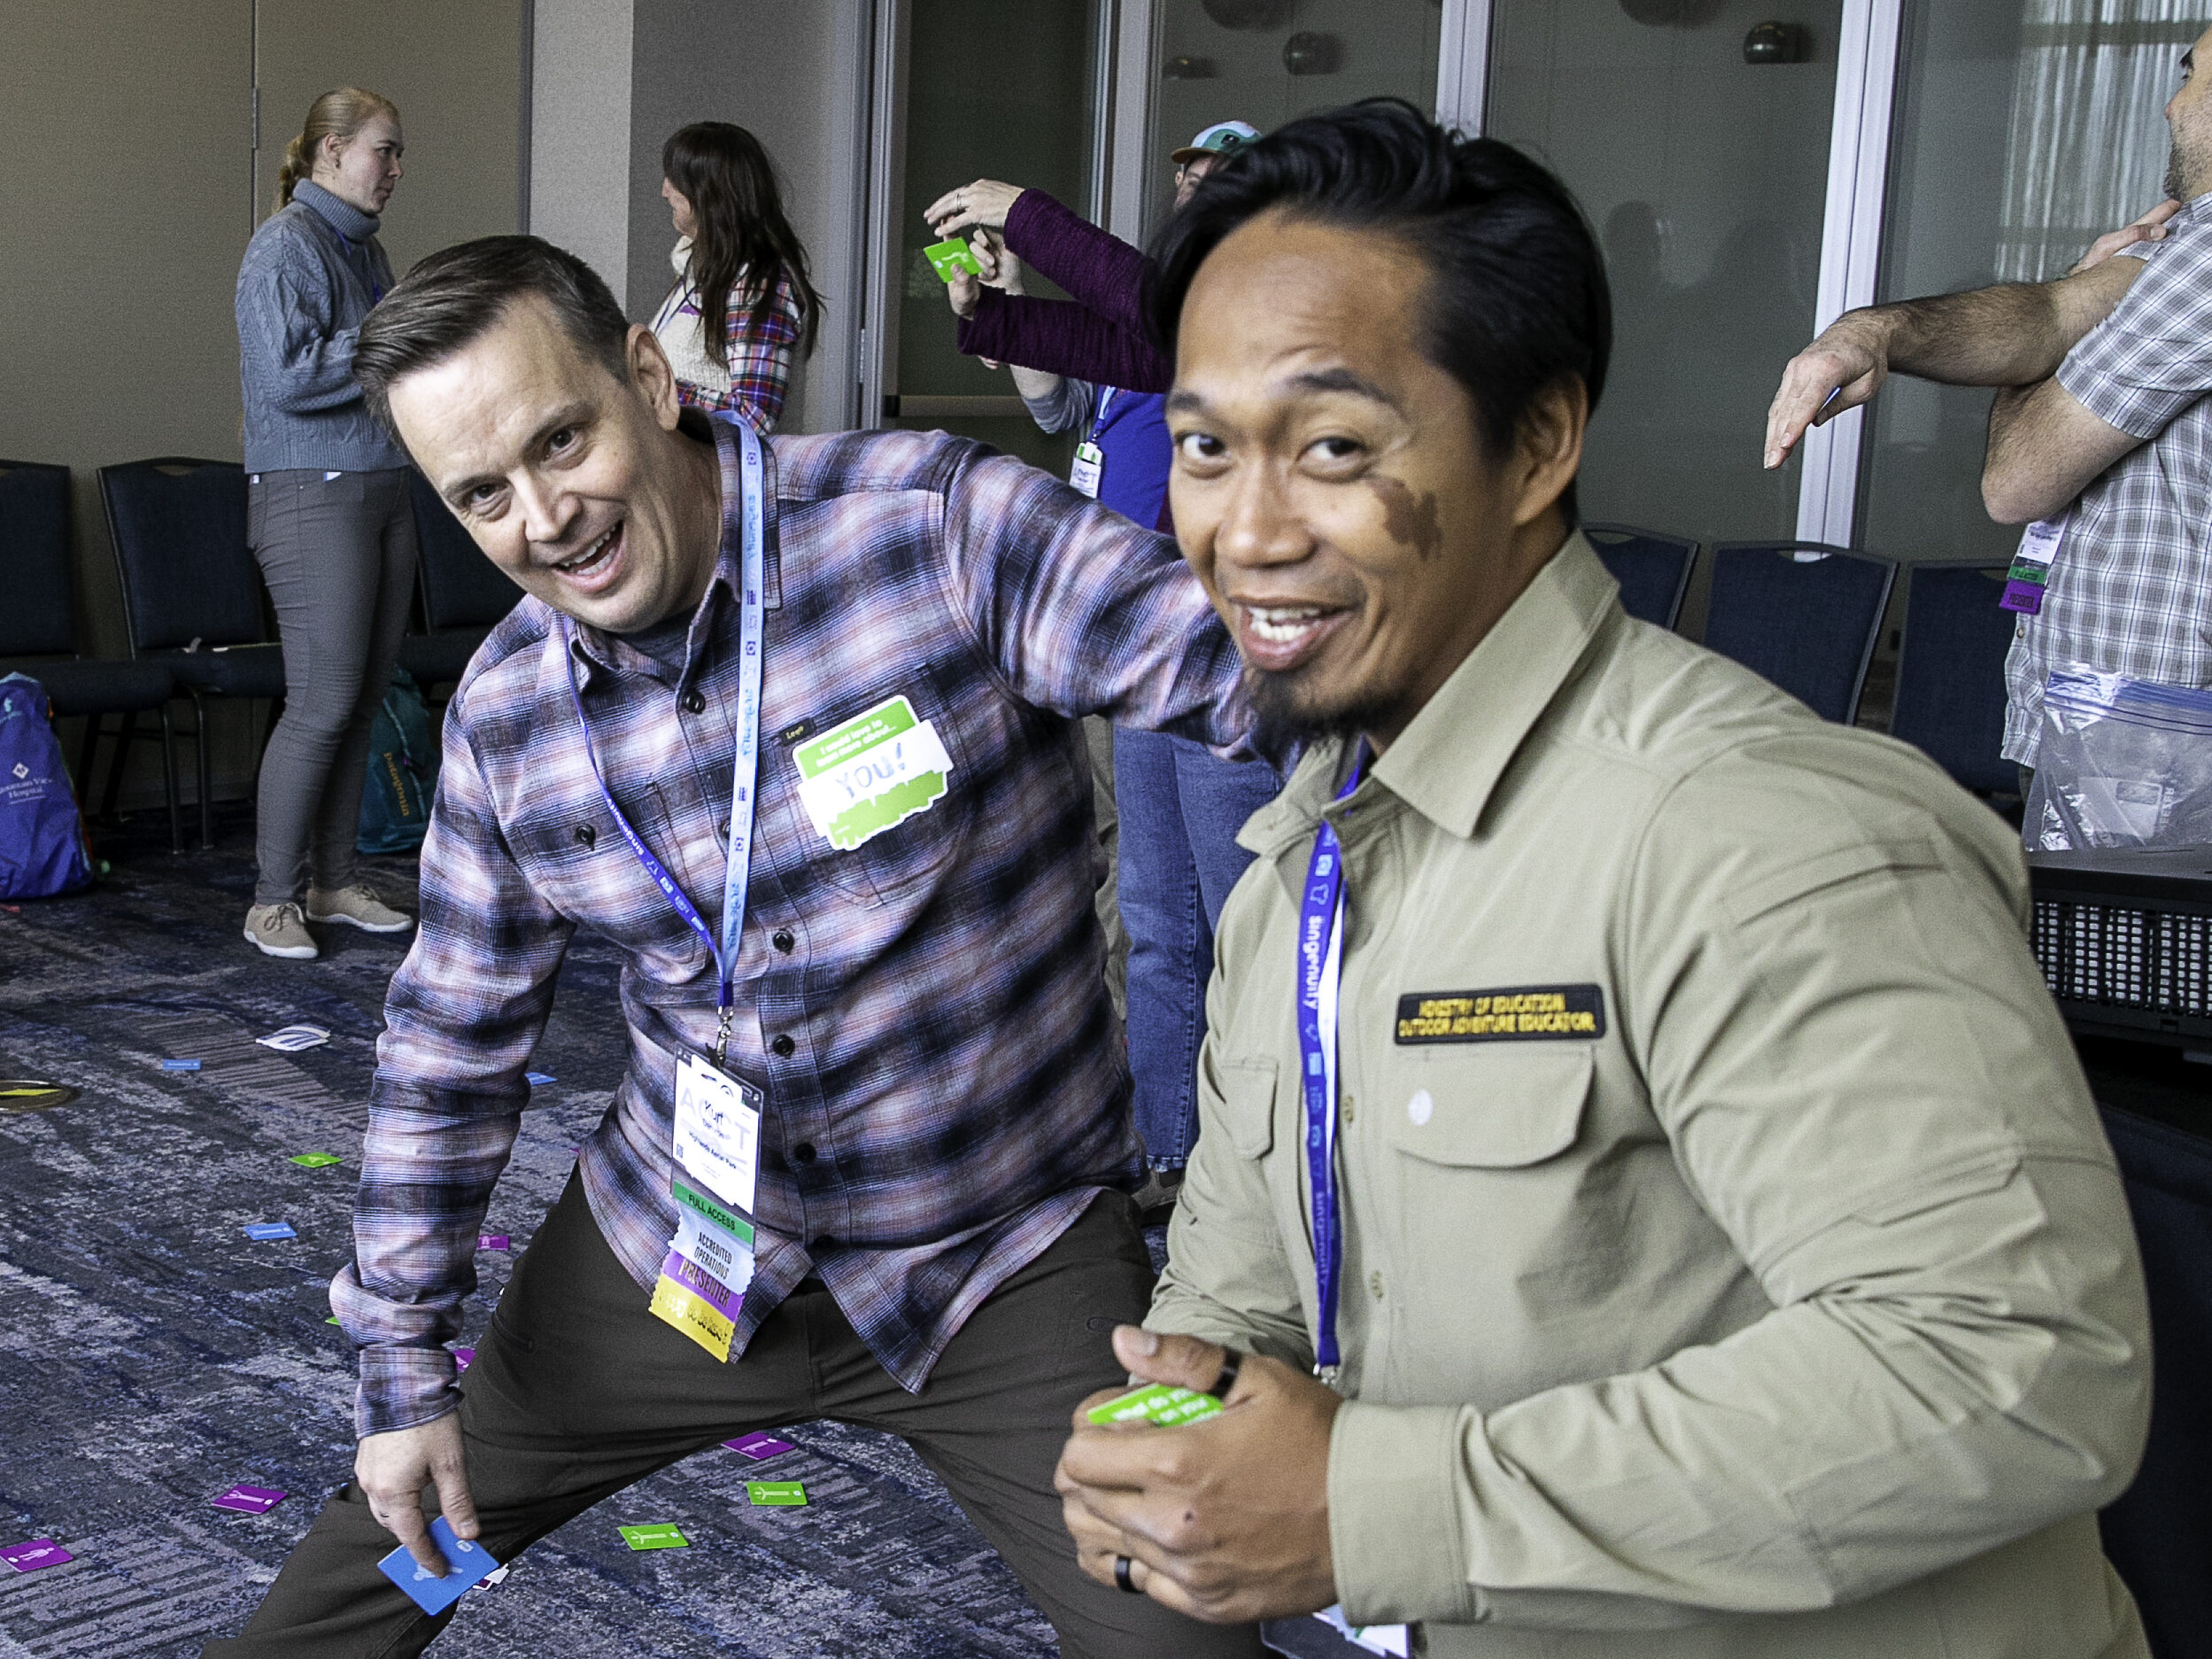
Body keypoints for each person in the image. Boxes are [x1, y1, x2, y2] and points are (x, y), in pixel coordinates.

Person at [1052, 100, 2152, 1658]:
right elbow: (1240, 1290)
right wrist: (1182, 1415)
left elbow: (2013, 1365)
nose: (1243, 528)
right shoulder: (1303, 855)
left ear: (1540, 442)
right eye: (1206, 448)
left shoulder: (1751, 833)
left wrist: (1373, 1504)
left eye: (1334, 448)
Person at [200, 235, 1269, 1659]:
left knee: (1179, 1646)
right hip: (684, 1251)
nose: (545, 518)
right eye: (482, 495)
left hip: (997, 1254)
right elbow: (448, 1051)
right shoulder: (510, 715)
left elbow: (1252, 668)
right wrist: (401, 1375)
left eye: (561, 439)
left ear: (650, 376)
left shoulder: (927, 528)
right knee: (377, 1573)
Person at [924, 122, 1276, 1216]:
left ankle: (1257, 1180)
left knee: (1239, 933)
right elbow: (1106, 355)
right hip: (1146, 640)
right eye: (1183, 176)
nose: (1190, 192)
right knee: (1160, 926)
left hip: (1232, 648)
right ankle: (1167, 1158)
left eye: (1215, 181)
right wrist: (992, 313)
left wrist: (1023, 207)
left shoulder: (1262, 316)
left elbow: (1156, 321)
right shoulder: (1178, 329)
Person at [1766, 27, 2212, 786]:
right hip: (2142, 737)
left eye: (2192, 76)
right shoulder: (2182, 247)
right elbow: (2051, 313)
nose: (2171, 107)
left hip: (2151, 751)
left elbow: (2016, 483)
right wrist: (1869, 331)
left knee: (2110, 912)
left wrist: (2036, 364)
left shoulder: (2202, 261)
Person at [233, 87, 420, 960]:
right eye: (382, 150)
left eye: (397, 153)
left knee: (361, 699)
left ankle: (333, 880)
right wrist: (390, 332)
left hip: (379, 488)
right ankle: (272, 900)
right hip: (312, 491)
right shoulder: (285, 248)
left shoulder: (366, 253)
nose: (393, 169)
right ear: (331, 153)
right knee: (321, 701)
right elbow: (287, 380)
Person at [649, 120, 820, 431]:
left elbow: (754, 416)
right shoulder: (699, 272)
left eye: (674, 180)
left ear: (707, 194)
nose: (664, 191)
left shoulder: (759, 284)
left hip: (726, 479)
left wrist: (656, 387)